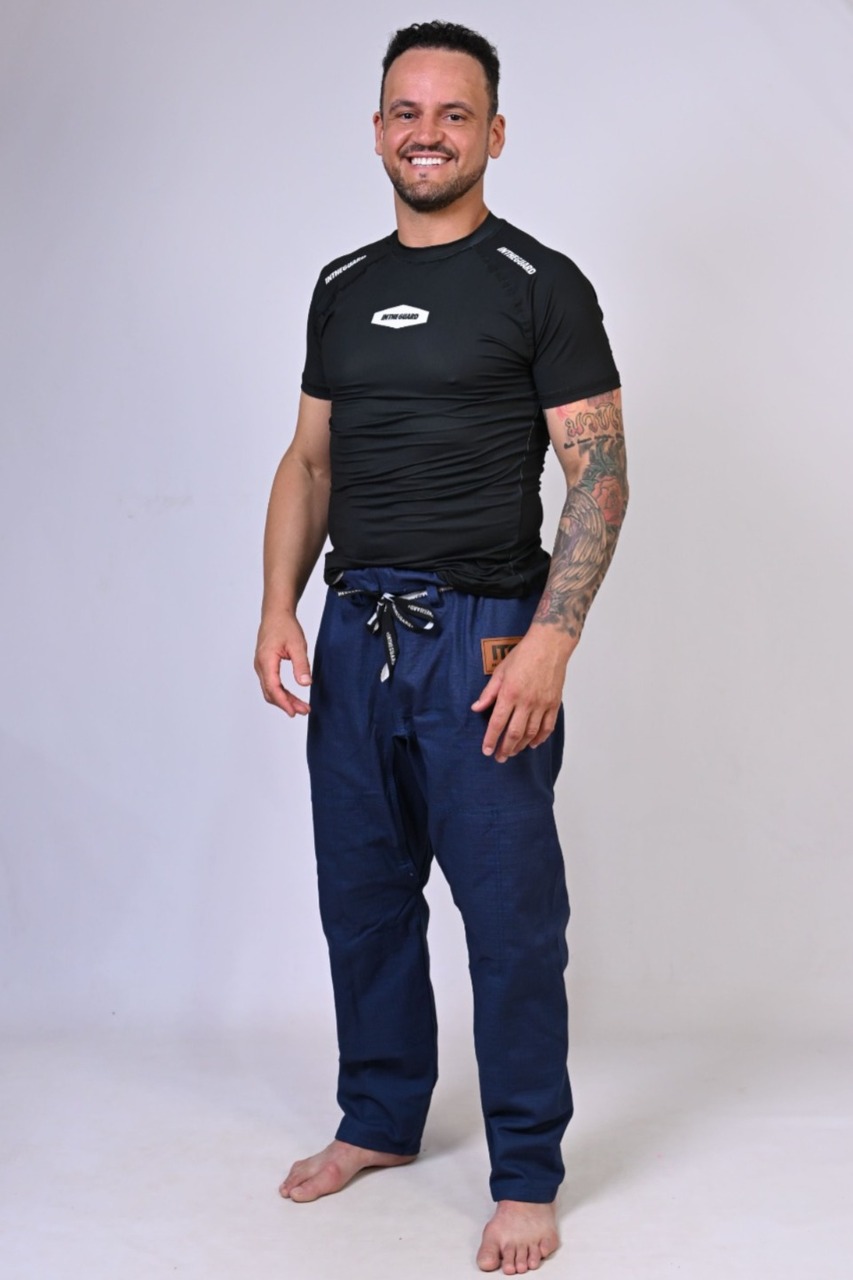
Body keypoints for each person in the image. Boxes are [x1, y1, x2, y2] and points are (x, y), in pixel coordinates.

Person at [254, 20, 628, 1276]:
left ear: (493, 134)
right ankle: (378, 1116)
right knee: (362, 900)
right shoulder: (340, 284)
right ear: (377, 131)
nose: (427, 133)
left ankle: (525, 1173)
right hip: (355, 635)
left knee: (512, 921)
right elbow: (310, 461)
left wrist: (549, 644)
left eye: (453, 113)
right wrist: (277, 605)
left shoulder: (539, 283)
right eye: (406, 112)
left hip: (482, 641)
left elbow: (599, 476)